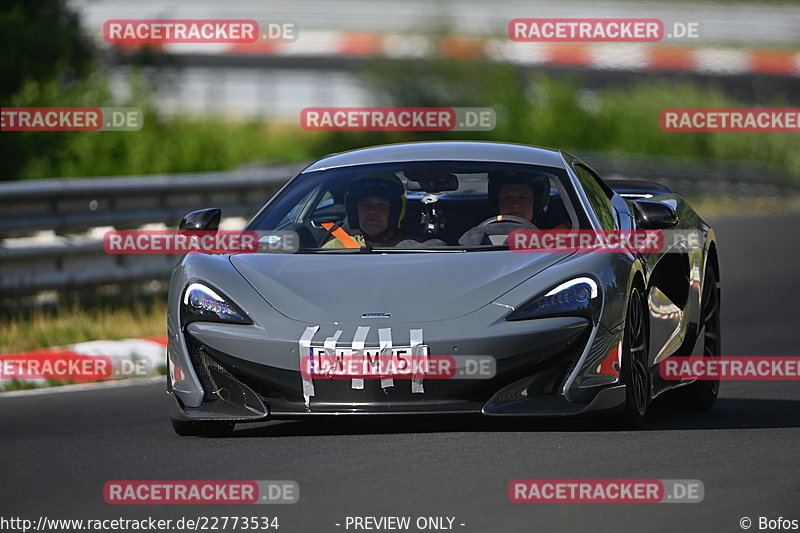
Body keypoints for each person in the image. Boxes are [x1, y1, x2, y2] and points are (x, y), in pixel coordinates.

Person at [322, 174, 416, 248]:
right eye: (365, 205)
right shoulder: (335, 247)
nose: (372, 211)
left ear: (393, 213)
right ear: (355, 212)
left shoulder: (414, 249)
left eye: (381, 205)